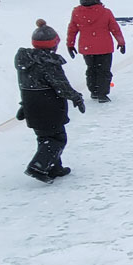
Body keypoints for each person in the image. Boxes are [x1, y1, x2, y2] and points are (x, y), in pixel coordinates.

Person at [16, 19, 86, 184]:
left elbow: (26, 85)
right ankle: (38, 166)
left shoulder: (25, 61)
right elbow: (61, 85)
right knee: (57, 138)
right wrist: (76, 97)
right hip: (48, 106)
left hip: (31, 105)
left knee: (45, 137)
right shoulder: (48, 63)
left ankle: (54, 167)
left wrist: (23, 105)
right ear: (54, 44)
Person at [66, 0, 126, 102]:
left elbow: (72, 29)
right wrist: (121, 42)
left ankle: (94, 91)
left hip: (87, 48)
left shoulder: (77, 12)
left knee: (91, 69)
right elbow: (115, 28)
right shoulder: (105, 12)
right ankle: (102, 94)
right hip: (104, 47)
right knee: (104, 71)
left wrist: (70, 44)